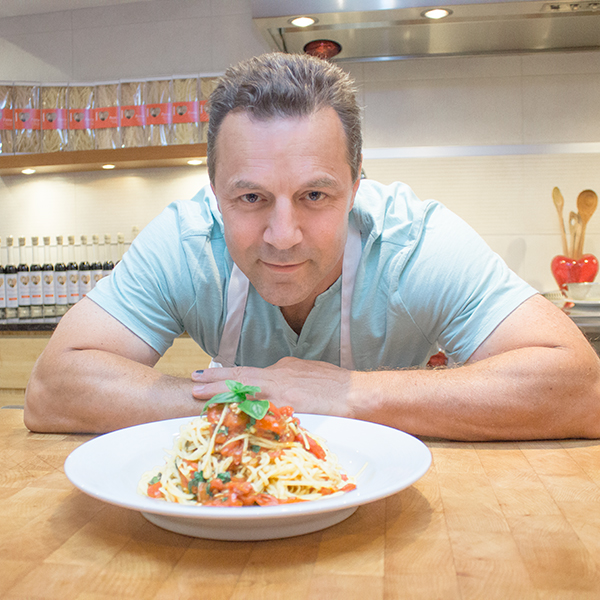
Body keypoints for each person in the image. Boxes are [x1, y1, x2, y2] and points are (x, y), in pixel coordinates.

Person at [24, 52, 600, 440]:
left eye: (315, 195)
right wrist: (253, 399)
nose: (282, 236)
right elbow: (52, 389)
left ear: (356, 186)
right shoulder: (184, 240)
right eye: (250, 198)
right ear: (215, 194)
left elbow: (580, 386)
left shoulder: (413, 243)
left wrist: (350, 394)